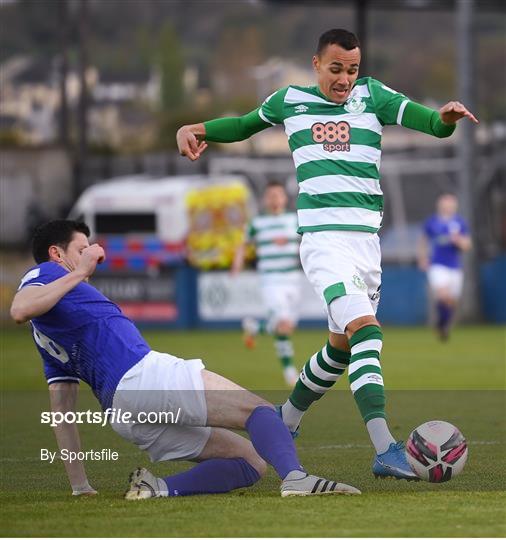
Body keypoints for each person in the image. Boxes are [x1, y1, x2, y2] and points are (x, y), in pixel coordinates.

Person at [176, 28, 478, 480]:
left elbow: (431, 124)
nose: (345, 78)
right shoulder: (289, 100)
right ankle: (384, 447)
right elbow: (242, 126)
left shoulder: (374, 96)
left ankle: (285, 421)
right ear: (316, 64)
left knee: (339, 349)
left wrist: (446, 116)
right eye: (336, 68)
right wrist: (194, 127)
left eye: (352, 69)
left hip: (365, 246)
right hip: (324, 242)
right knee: (365, 331)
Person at [10, 220, 360, 499]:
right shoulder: (47, 274)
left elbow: (62, 414)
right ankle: (297, 478)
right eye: (82, 248)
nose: (91, 255)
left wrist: (80, 485)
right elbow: (20, 308)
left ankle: (158, 489)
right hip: (142, 377)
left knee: (250, 461)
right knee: (259, 411)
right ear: (56, 253)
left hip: (123, 413)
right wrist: (79, 272)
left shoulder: (50, 332)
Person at [232, 181, 301, 386]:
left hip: (293, 280)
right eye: (270, 195)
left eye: (277, 195)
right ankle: (289, 370)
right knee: (283, 324)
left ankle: (255, 327)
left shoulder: (294, 220)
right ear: (265, 199)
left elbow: (308, 240)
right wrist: (237, 264)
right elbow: (242, 245)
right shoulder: (257, 223)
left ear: (284, 198)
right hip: (271, 280)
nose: (274, 199)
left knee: (287, 327)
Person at [418, 193, 472, 340]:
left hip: (454, 266)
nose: (448, 207)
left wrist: (458, 241)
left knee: (452, 301)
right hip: (437, 265)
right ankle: (442, 327)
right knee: (443, 295)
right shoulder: (432, 222)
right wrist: (422, 258)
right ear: (440, 205)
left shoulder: (460, 223)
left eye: (450, 204)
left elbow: (467, 245)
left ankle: (443, 325)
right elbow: (423, 241)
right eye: (445, 204)